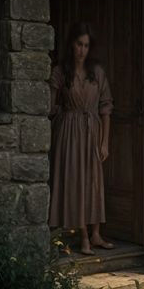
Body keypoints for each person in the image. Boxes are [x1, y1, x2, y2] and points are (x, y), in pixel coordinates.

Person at [48, 22, 114, 256]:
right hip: (70, 131)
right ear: (71, 45)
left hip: (92, 130)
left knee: (94, 181)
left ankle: (96, 234)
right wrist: (60, 120)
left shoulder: (97, 73)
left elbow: (106, 107)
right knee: (76, 181)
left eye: (86, 45)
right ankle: (83, 235)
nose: (82, 50)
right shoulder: (60, 71)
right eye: (78, 44)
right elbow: (50, 104)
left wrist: (104, 141)